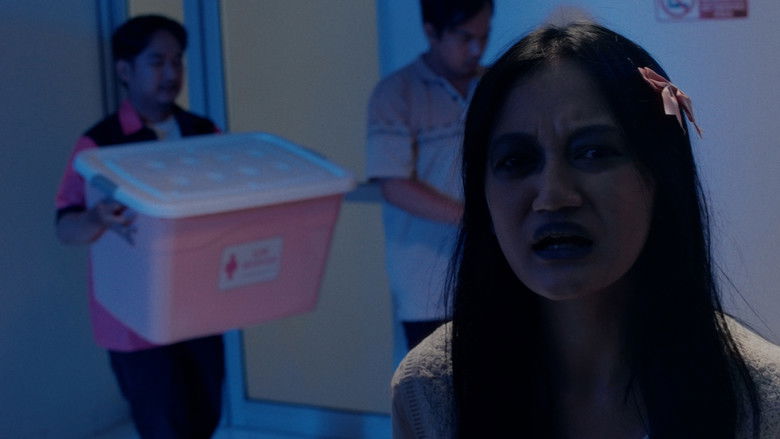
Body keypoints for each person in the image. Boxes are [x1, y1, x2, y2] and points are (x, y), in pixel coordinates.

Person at [391, 22, 780, 438]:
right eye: (517, 160)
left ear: (661, 176)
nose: (553, 197)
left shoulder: (763, 401)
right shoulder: (430, 391)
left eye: (593, 152)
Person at [55, 15, 224, 438]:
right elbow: (65, 226)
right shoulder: (100, 144)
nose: (171, 73)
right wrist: (96, 218)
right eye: (157, 61)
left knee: (204, 417)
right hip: (133, 320)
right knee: (162, 424)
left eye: (177, 61)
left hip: (199, 308)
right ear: (125, 70)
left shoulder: (204, 132)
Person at [365, 0, 493, 351]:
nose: (476, 49)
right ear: (431, 32)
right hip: (427, 284)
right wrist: (477, 219)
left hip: (494, 274)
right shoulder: (397, 93)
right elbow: (394, 185)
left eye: (484, 36)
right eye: (464, 37)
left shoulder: (494, 86)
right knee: (439, 382)